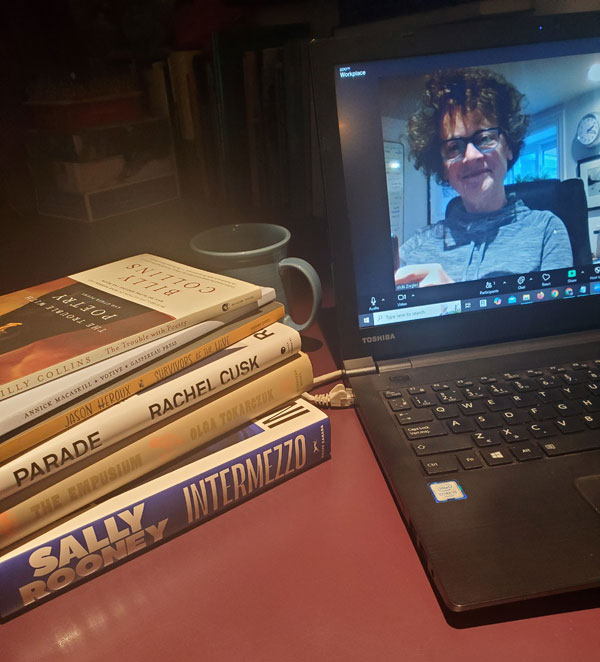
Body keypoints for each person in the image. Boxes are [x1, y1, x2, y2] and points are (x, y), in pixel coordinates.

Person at [395, 68, 573, 287]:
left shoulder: (547, 232)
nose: (471, 156)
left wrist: (452, 302)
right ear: (442, 167)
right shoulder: (416, 247)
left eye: (485, 138)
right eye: (453, 147)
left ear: (508, 146)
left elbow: (557, 320)